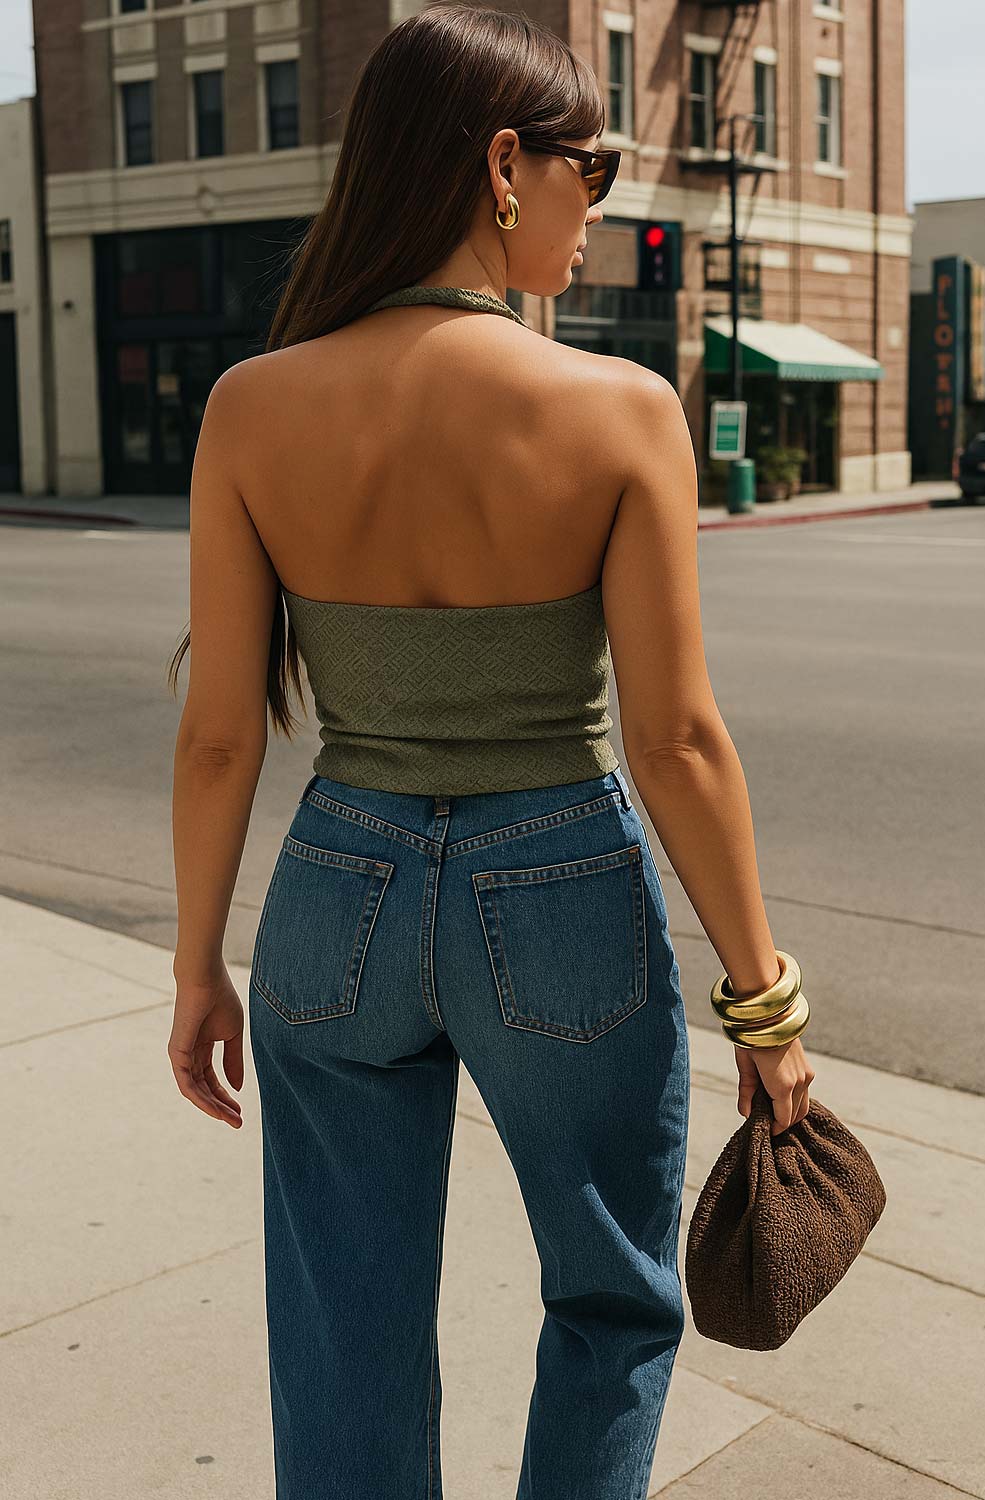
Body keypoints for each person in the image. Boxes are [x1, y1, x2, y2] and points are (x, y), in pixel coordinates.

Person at [165, 5, 815, 1497]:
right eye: (594, 162)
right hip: (565, 889)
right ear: (505, 164)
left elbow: (217, 739)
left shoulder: (251, 407)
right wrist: (763, 999)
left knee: (344, 1319)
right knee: (609, 1300)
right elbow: (676, 740)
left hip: (336, 893)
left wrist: (201, 965)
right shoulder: (619, 411)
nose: (605, 200)